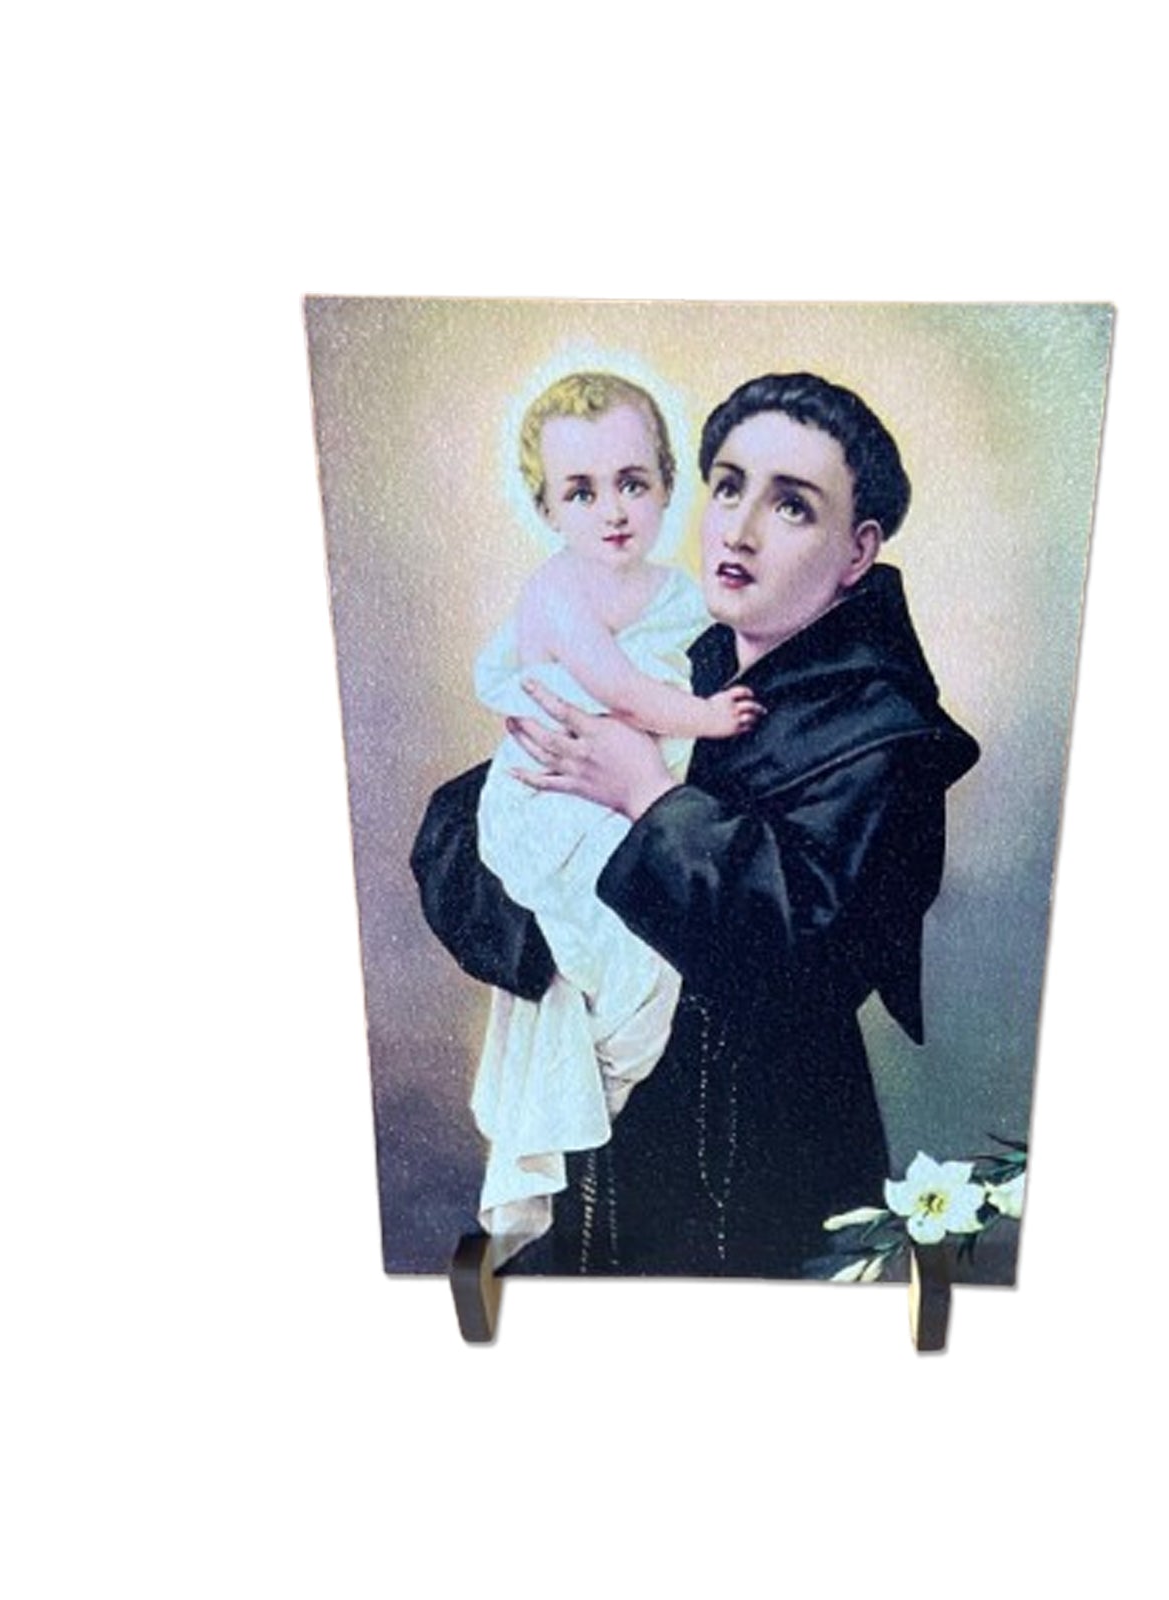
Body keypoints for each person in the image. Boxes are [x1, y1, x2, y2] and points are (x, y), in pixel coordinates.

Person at [415, 372, 978, 1278]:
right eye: (729, 486)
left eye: (791, 506)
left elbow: (806, 955)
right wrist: (554, 915)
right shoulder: (679, 660)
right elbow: (464, 826)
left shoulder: (887, 734)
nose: (739, 530)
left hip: (764, 1166)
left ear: (858, 550)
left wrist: (646, 796)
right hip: (616, 1162)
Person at [468, 373, 760, 1262]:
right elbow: (621, 690)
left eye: (632, 482)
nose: (613, 510)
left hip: (621, 794)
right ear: (547, 508)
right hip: (548, 801)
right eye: (582, 492)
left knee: (655, 942)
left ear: (668, 485)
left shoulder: (676, 593)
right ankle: (578, 1101)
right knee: (620, 938)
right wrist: (708, 718)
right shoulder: (559, 591)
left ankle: (599, 1093)